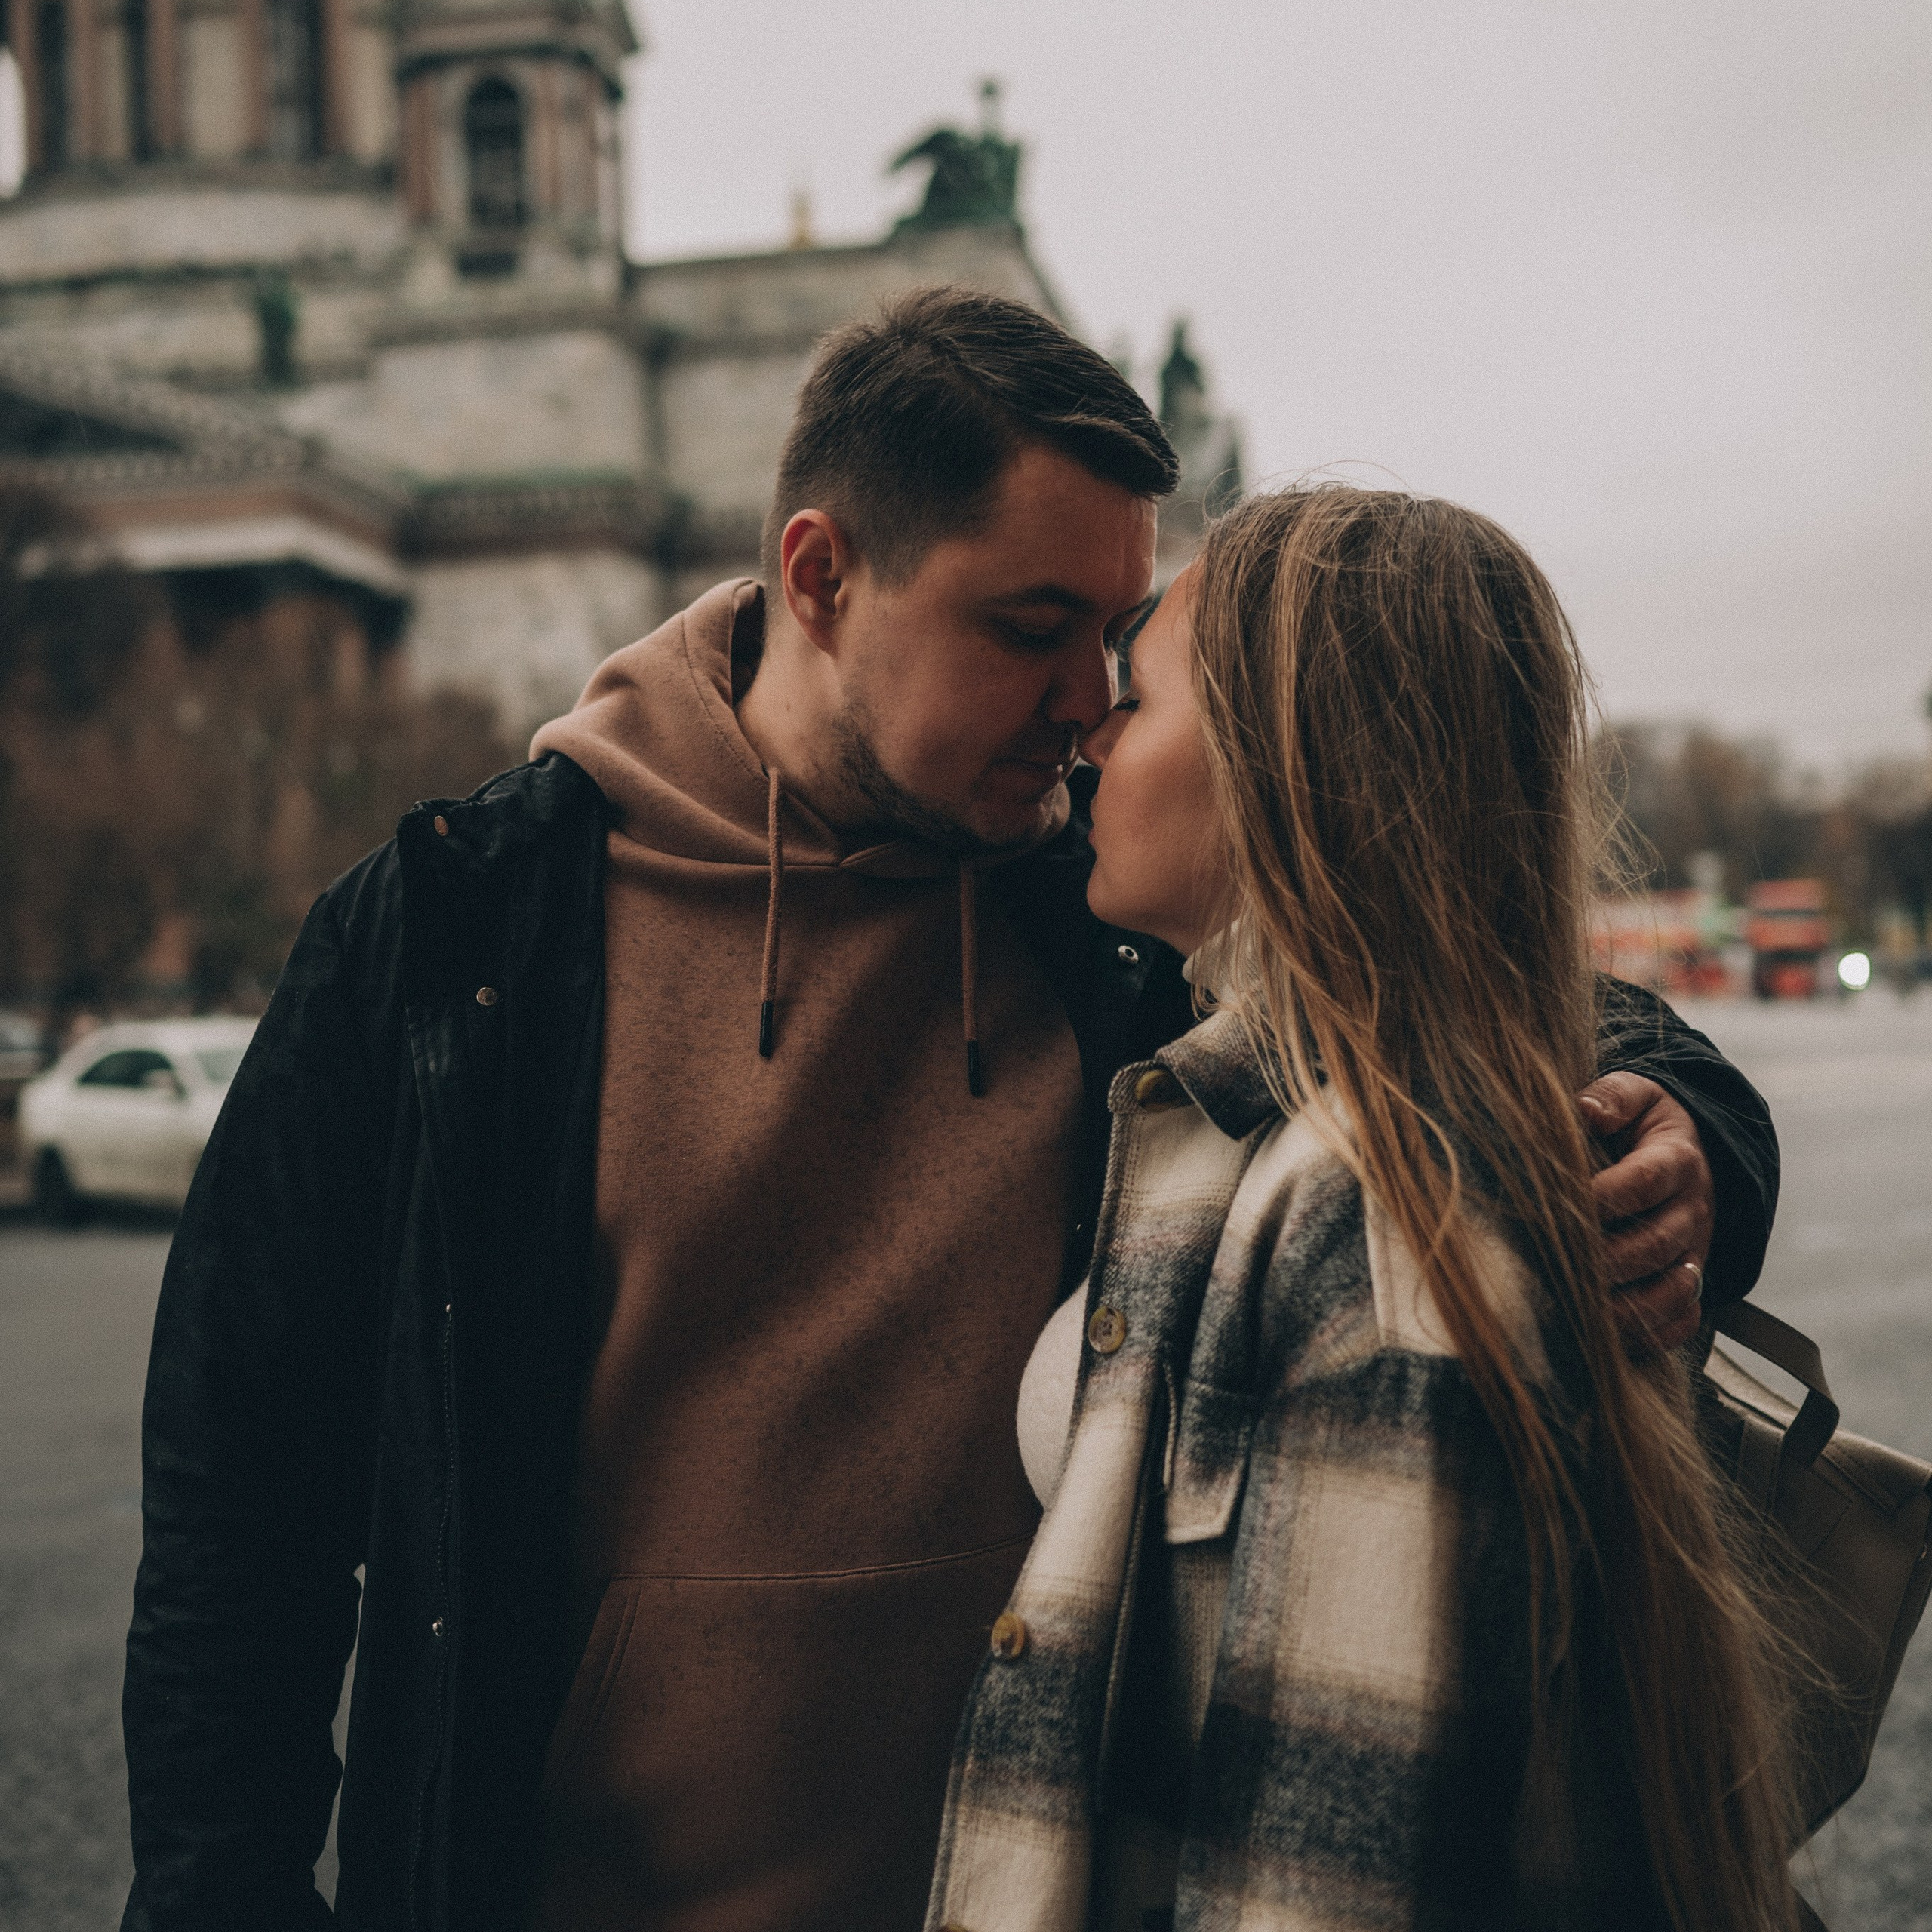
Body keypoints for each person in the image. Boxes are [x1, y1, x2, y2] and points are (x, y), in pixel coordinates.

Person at [122, 293, 1776, 1932]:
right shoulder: (452, 929)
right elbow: (241, 1498)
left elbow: (1458, 984)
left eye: (1114, 642)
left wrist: (1689, 1134)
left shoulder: (1105, 906)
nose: (1086, 704)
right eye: (1028, 624)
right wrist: (217, 1891)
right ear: (823, 575)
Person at [931, 485, 1798, 1932]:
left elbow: (1331, 1877)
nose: (1083, 729)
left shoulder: (1381, 1210)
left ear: (1283, 768)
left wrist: (1702, 1130)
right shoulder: (1288, 1114)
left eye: (1132, 697)